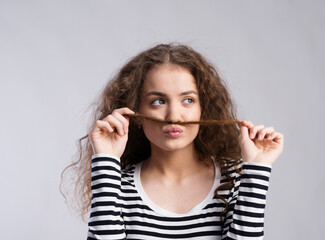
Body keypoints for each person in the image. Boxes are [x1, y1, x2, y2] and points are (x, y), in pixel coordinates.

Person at [67, 43, 284, 240]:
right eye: (158, 101)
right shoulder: (118, 185)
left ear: (203, 109)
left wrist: (257, 168)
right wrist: (105, 159)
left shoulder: (234, 180)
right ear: (135, 112)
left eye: (188, 100)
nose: (174, 115)